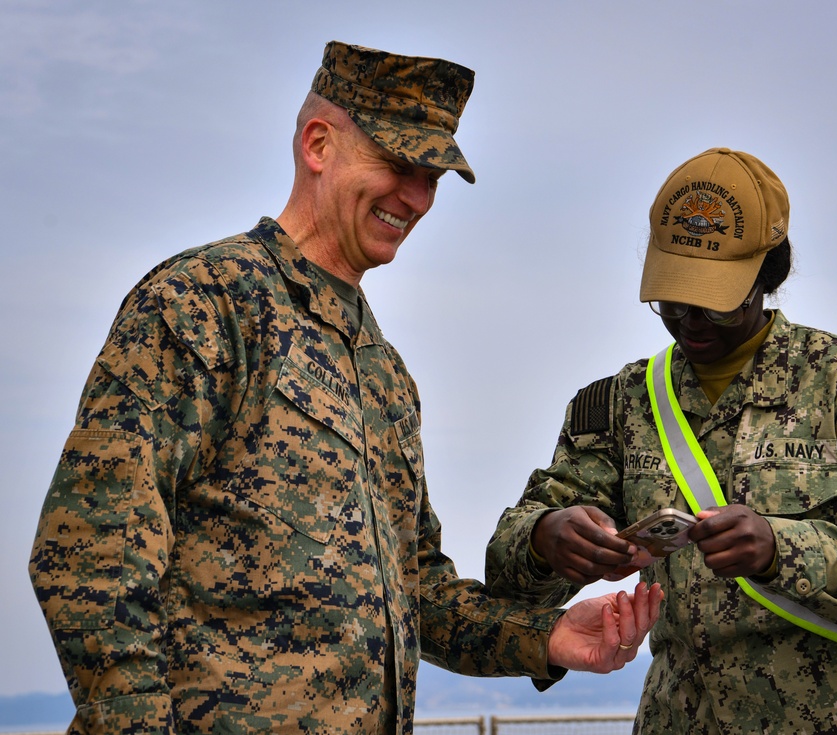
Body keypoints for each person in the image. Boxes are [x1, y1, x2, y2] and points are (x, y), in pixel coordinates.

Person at [27, 40, 663, 735]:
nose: (417, 197)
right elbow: (91, 550)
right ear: (318, 144)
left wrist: (547, 635)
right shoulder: (204, 304)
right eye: (397, 164)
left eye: (433, 177)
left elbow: (420, 592)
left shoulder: (385, 375)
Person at [485, 148, 837, 733]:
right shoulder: (617, 406)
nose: (690, 321)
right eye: (672, 300)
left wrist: (781, 550)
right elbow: (509, 583)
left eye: (713, 303)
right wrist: (545, 539)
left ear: (769, 276)